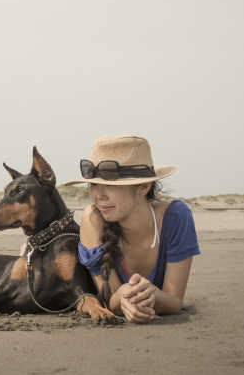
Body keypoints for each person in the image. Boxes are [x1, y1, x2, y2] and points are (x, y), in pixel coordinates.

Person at [65, 135, 199, 323]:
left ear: (144, 186)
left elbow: (175, 301)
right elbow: (110, 301)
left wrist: (152, 296)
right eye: (94, 184)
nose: (98, 195)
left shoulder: (176, 217)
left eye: (110, 185)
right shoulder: (93, 221)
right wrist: (123, 296)